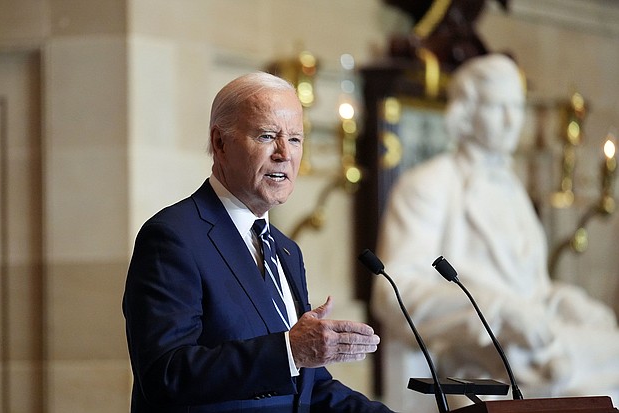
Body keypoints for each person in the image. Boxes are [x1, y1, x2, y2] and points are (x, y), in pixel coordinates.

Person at [123, 72, 396, 413]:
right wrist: (290, 352)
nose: (284, 154)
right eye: (268, 136)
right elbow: (166, 375)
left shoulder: (285, 249)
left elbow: (307, 388)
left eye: (295, 139)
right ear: (220, 143)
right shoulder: (172, 237)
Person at [371, 53, 619, 412]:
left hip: (536, 341)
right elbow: (393, 291)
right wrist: (498, 310)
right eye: (496, 107)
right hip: (478, 351)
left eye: (516, 107)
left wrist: (562, 300)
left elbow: (531, 289)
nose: (509, 121)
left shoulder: (512, 189)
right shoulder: (428, 184)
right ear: (466, 112)